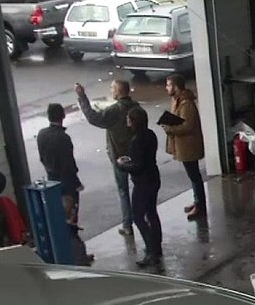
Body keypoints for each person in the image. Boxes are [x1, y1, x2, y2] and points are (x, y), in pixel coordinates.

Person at [75, 79, 139, 237]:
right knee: (139, 188)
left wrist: (82, 97)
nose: (111, 91)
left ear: (118, 90)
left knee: (123, 191)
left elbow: (93, 118)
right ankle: (143, 218)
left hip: (119, 157)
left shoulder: (114, 110)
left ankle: (127, 225)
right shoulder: (136, 107)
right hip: (136, 155)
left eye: (112, 89)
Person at [117, 106, 163, 268]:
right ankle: (156, 247)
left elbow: (138, 166)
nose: (127, 122)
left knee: (138, 216)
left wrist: (123, 165)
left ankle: (151, 252)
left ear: (134, 121)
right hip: (154, 177)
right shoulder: (150, 135)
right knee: (152, 212)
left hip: (143, 182)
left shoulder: (136, 141)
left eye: (129, 119)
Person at [162, 74, 207, 220]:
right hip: (184, 145)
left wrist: (170, 129)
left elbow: (187, 125)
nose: (167, 88)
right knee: (192, 175)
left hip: (189, 145)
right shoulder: (177, 101)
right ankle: (197, 202)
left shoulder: (186, 104)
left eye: (169, 85)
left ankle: (200, 206)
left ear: (176, 86)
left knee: (194, 175)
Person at [35, 103, 84, 226]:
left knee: (57, 214)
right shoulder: (63, 138)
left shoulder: (41, 135)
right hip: (67, 182)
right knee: (71, 213)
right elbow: (69, 163)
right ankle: (72, 237)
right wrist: (77, 183)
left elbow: (42, 158)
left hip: (51, 180)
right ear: (63, 116)